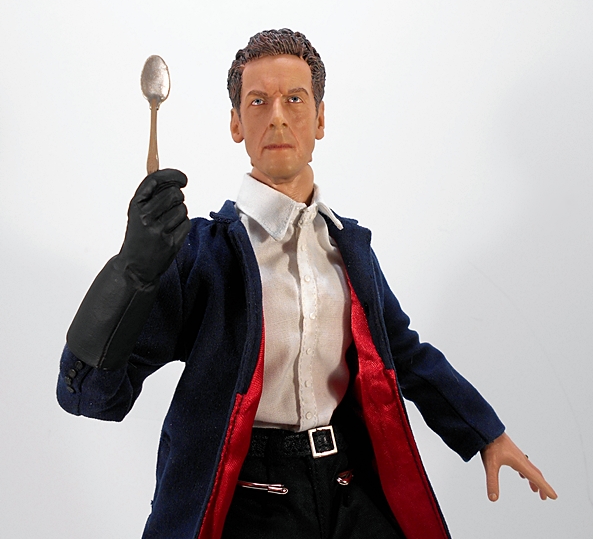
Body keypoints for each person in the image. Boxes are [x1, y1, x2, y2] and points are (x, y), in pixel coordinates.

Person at [57, 29, 556, 539]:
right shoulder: (204, 255)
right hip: (248, 498)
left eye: (295, 99)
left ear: (320, 119)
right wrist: (132, 272)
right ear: (236, 123)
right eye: (258, 101)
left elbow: (403, 355)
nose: (277, 116)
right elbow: (92, 394)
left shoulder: (349, 248)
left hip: (348, 486)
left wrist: (484, 433)